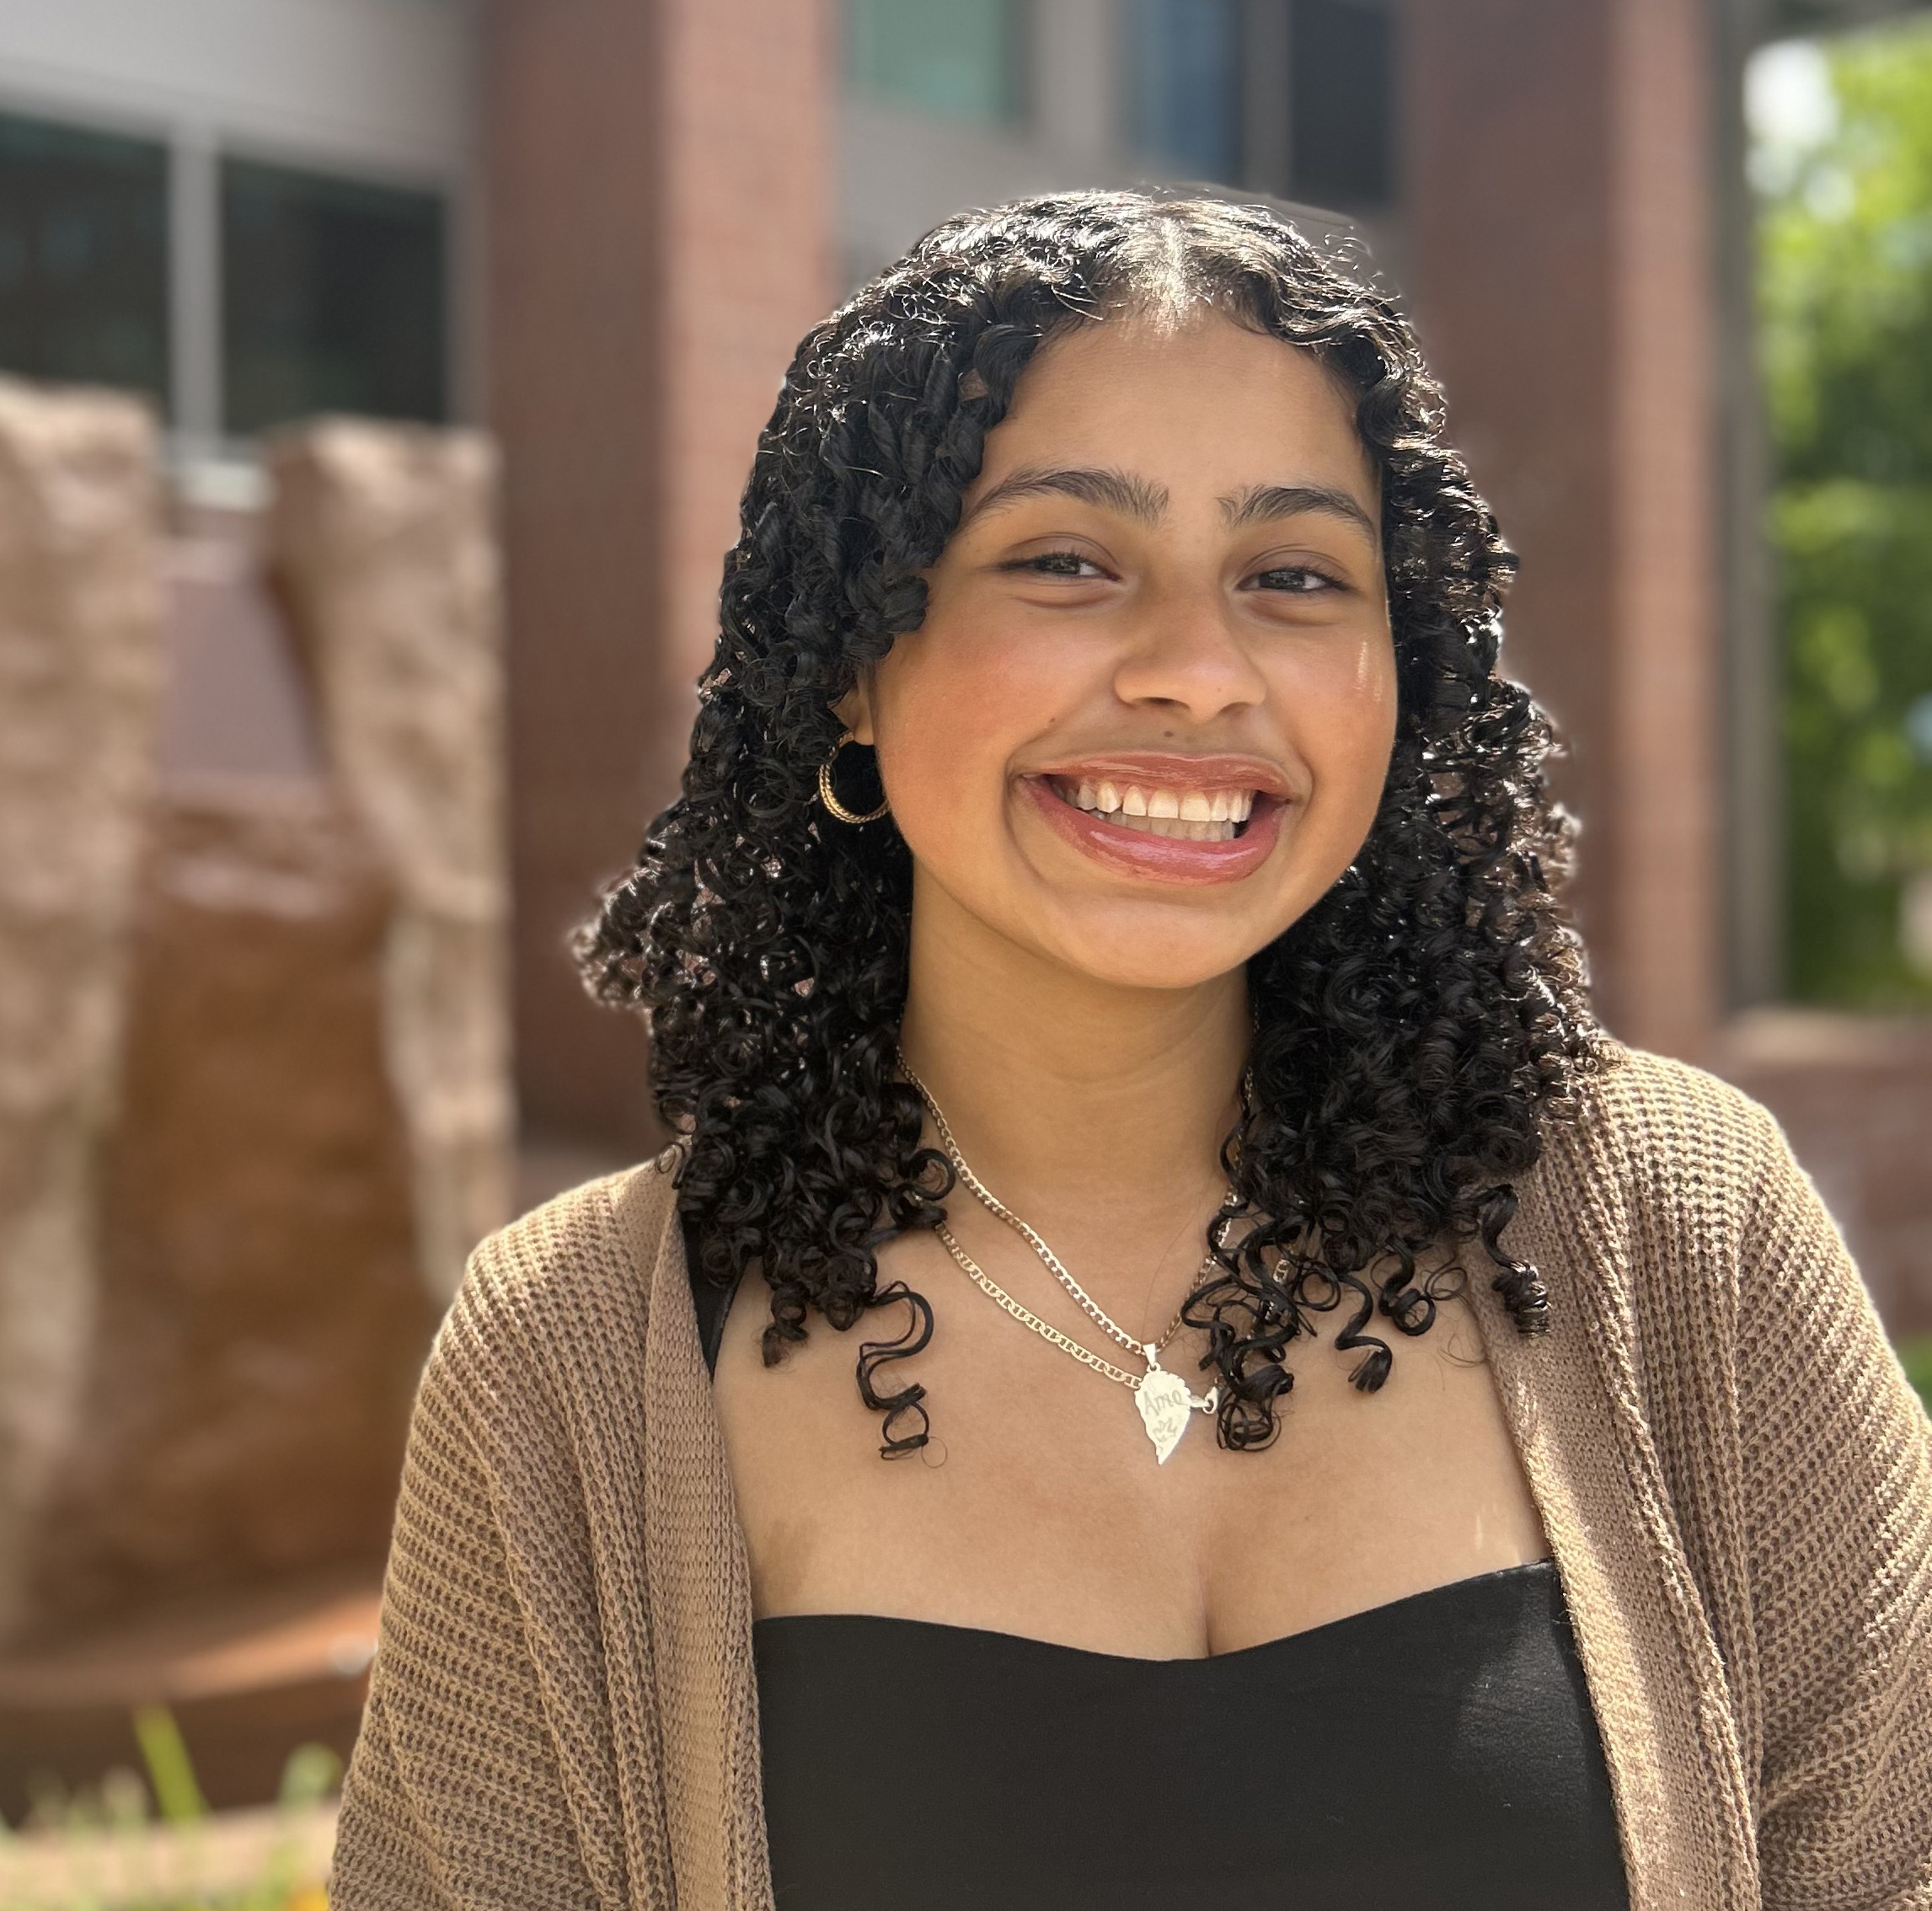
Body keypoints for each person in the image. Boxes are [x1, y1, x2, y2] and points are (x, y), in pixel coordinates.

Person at [327, 194, 1932, 1908]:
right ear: (856, 662)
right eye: (1067, 561)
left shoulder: (1675, 1230)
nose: (1193, 671)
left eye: (1295, 576)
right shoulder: (576, 1357)